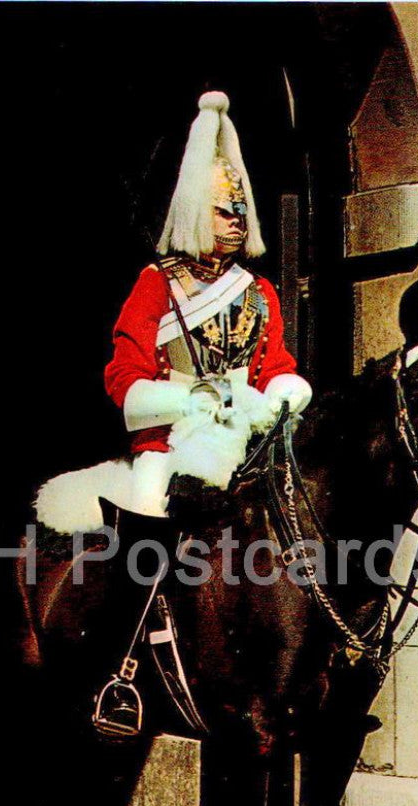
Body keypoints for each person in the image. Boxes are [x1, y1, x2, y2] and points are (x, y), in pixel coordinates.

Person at [104, 90, 313, 517]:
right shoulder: (157, 282)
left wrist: (284, 392)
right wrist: (189, 401)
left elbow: (272, 367)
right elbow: (127, 375)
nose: (237, 222)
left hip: (244, 441)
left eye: (241, 213)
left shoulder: (259, 290)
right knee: (147, 521)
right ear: (198, 212)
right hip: (168, 440)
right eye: (224, 212)